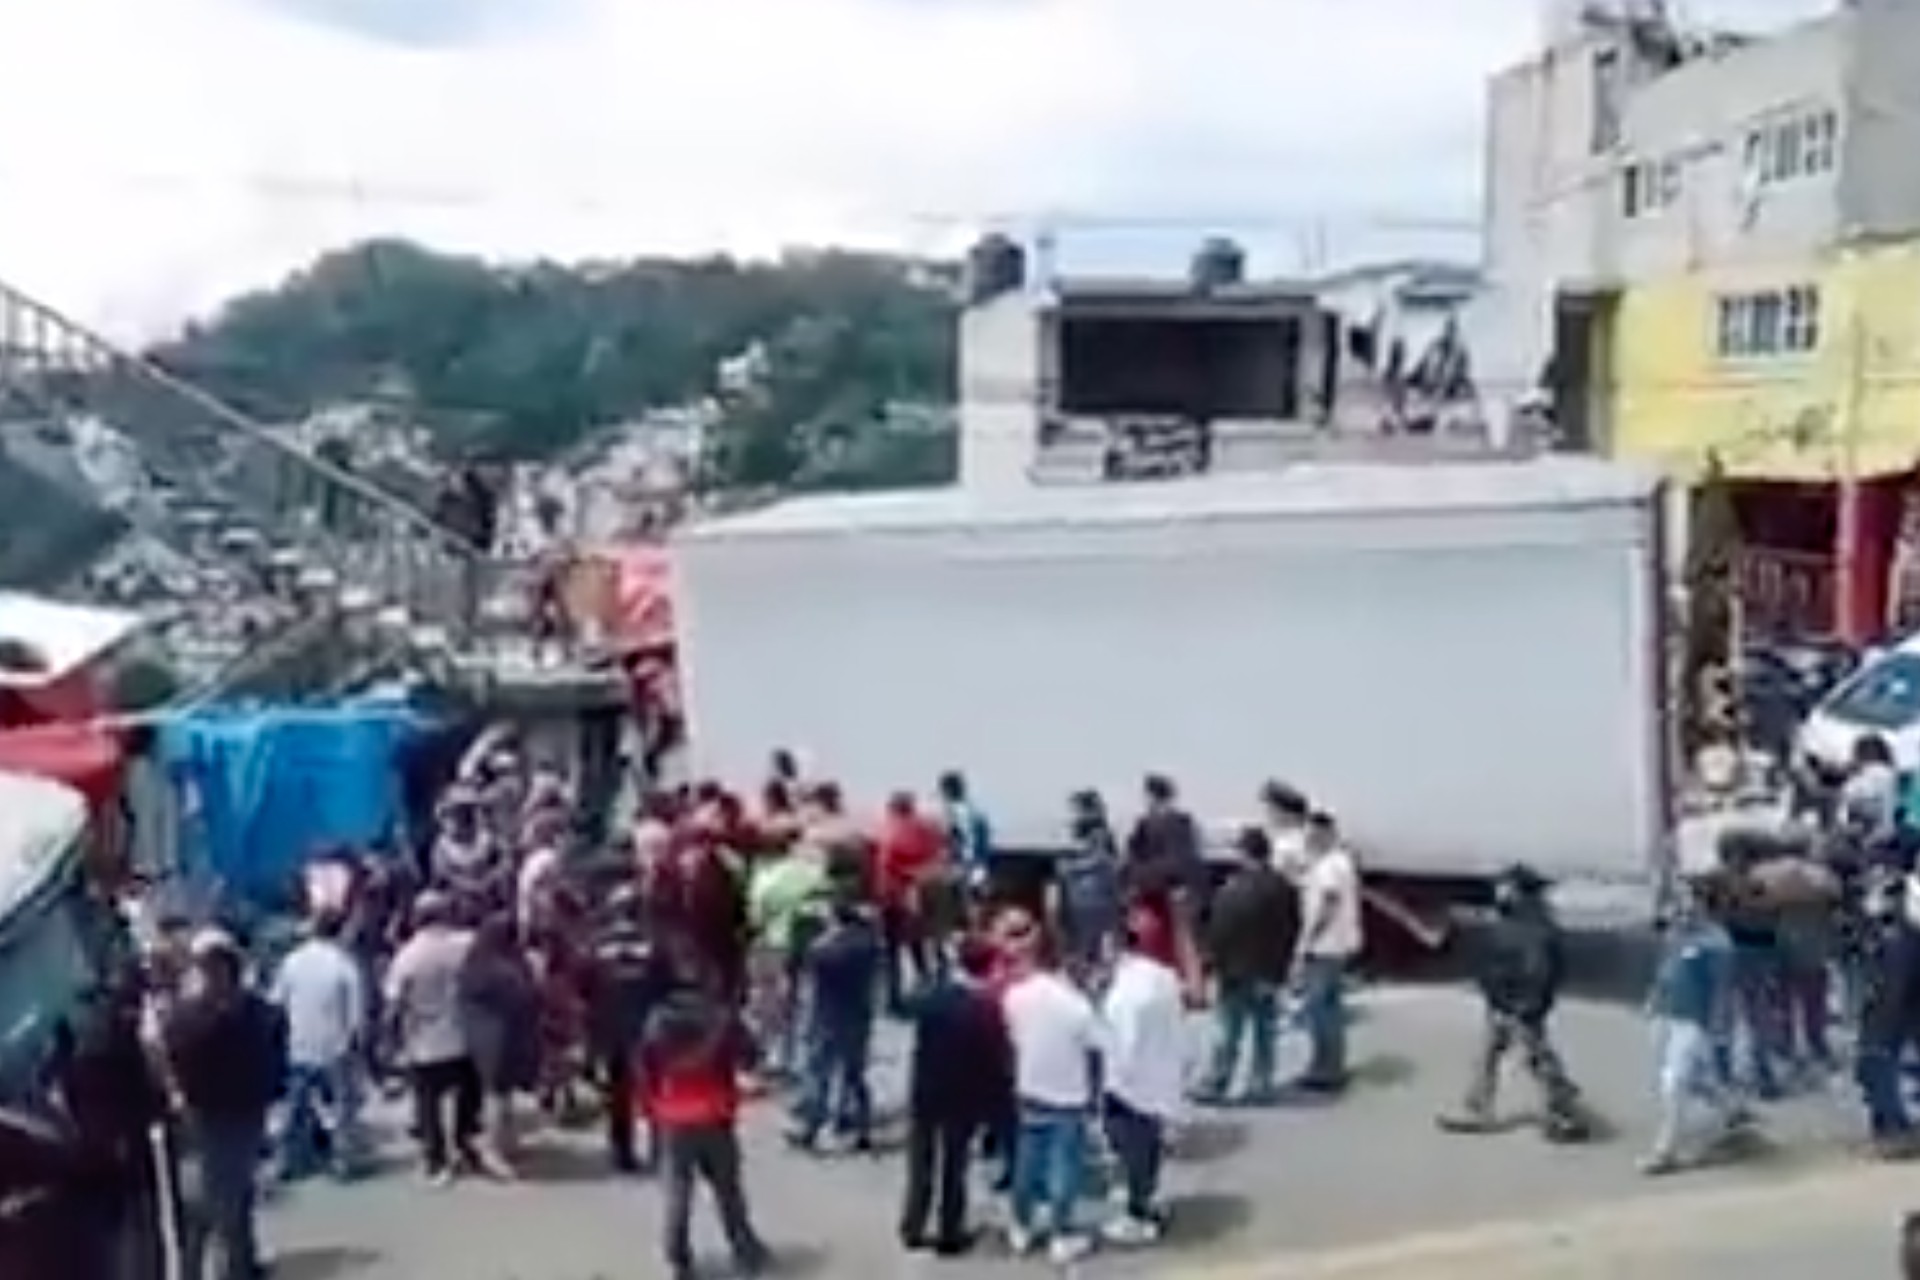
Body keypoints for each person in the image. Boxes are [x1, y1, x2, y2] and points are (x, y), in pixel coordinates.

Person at [161, 929, 287, 1280]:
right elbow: (177, 1053)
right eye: (208, 966)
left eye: (221, 965)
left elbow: (271, 1043)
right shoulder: (193, 1015)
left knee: (233, 1195)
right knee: (207, 1204)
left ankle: (240, 1264)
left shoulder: (249, 1010)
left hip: (239, 1113)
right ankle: (221, 1268)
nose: (215, 973)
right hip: (205, 1116)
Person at [1437, 863, 1590, 1142]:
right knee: (1496, 1053)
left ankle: (1562, 1112)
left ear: (1517, 892)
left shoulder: (1529, 927)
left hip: (1516, 1004)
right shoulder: (1523, 919)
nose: (1498, 892)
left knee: (1535, 1057)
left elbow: (1537, 969)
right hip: (1507, 1001)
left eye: (1504, 887)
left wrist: (1522, 1004)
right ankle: (1481, 1107)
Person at [642, 964, 772, 1280]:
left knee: (677, 1188)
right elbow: (751, 1056)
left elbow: (647, 1063)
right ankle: (744, 1248)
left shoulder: (658, 1019)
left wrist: (652, 1103)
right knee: (727, 1188)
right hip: (715, 1110)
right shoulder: (721, 1017)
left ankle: (678, 1256)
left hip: (674, 1112)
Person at [897, 937, 1012, 1257]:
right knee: (954, 1165)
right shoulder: (986, 1008)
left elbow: (905, 1006)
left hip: (925, 1090)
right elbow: (994, 1059)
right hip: (962, 1098)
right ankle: (950, 1230)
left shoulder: (935, 996)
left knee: (920, 1162)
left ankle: (913, 1225)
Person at [1000, 914, 1103, 1264]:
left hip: (1029, 1087)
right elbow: (1097, 1044)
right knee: (1064, 1168)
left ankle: (1021, 1225)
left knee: (1027, 1163)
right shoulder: (1075, 1005)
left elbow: (1014, 1038)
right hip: (1067, 1093)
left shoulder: (1016, 996)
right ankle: (1061, 1232)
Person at [1641, 872, 1743, 1176]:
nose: (1680, 905)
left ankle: (1665, 1150)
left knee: (1674, 1082)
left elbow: (1723, 991)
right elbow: (1665, 969)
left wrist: (1720, 1029)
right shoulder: (1678, 933)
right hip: (1666, 1015)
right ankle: (1730, 1110)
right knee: (1696, 1079)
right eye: (1679, 898)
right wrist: (1652, 1000)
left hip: (1694, 1021)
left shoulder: (1717, 943)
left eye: (1688, 898)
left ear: (1705, 903)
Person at [1100, 905, 1187, 1246]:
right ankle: (1146, 1201)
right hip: (1160, 1080)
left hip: (1130, 1087)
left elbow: (1121, 1047)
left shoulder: (1124, 996)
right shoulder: (1164, 978)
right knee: (1148, 1151)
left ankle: (1138, 1215)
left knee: (1131, 1150)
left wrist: (1109, 1087)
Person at [385, 891, 482, 1184]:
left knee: (428, 1105)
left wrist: (389, 1041)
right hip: (465, 1036)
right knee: (468, 1095)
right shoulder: (466, 945)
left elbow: (393, 1002)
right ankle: (465, 1143)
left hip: (424, 1041)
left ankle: (436, 1160)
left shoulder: (408, 956)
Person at [1198, 826, 1299, 1105]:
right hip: (1268, 972)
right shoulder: (1284, 888)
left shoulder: (1232, 891)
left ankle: (1218, 1083)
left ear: (1243, 854)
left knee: (1229, 1032)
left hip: (1234, 974)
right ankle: (1261, 1085)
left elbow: (1219, 933)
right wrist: (1282, 969)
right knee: (1265, 1032)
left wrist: (1212, 967)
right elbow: (1291, 930)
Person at [269, 910, 367, 1181]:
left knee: (293, 1108)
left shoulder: (292, 962)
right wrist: (356, 1043)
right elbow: (357, 1012)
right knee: (339, 1109)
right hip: (336, 1045)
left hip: (299, 1045)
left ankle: (285, 1161)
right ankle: (341, 1161)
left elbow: (277, 1002)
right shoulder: (344, 964)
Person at [787, 882, 882, 1154]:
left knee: (819, 1070)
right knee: (854, 1073)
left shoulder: (825, 949)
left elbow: (810, 968)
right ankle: (859, 1126)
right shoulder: (867, 943)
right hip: (858, 1013)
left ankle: (812, 1126)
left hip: (827, 1014)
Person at [583, 883, 670, 1173]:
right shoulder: (655, 941)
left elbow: (585, 985)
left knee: (619, 1093)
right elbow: (667, 982)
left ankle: (622, 1151)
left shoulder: (597, 942)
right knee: (655, 1090)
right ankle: (661, 1149)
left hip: (611, 1026)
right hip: (648, 1024)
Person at [458, 914, 542, 1178]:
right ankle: (493, 1151)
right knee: (496, 1095)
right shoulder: (501, 968)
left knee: (500, 1095)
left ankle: (504, 1143)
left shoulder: (476, 962)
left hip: (487, 1036)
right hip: (498, 1038)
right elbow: (526, 995)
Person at [1295, 810, 1363, 1093]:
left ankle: (1323, 1069)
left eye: (1311, 835)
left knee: (1318, 1010)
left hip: (1325, 946)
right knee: (1331, 1008)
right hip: (1338, 945)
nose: (1308, 840)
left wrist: (1307, 941)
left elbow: (1329, 902)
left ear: (1324, 834)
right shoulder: (1342, 862)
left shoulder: (1329, 866)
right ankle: (1333, 1065)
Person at [875, 790, 945, 1010]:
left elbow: (885, 865)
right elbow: (939, 857)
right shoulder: (928, 829)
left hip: (895, 898)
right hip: (924, 893)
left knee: (892, 950)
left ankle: (894, 998)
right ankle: (932, 988)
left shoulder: (890, 832)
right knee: (924, 945)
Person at [1051, 790, 1123, 981]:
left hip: (1096, 896)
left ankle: (1096, 977)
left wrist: (1071, 869)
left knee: (1094, 943)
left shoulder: (1099, 832)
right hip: (1081, 896)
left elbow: (1104, 860)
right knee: (1082, 943)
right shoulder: (1080, 831)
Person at [937, 770, 993, 889]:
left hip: (967, 864)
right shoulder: (974, 808)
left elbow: (961, 838)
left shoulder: (956, 811)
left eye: (944, 790)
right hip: (977, 862)